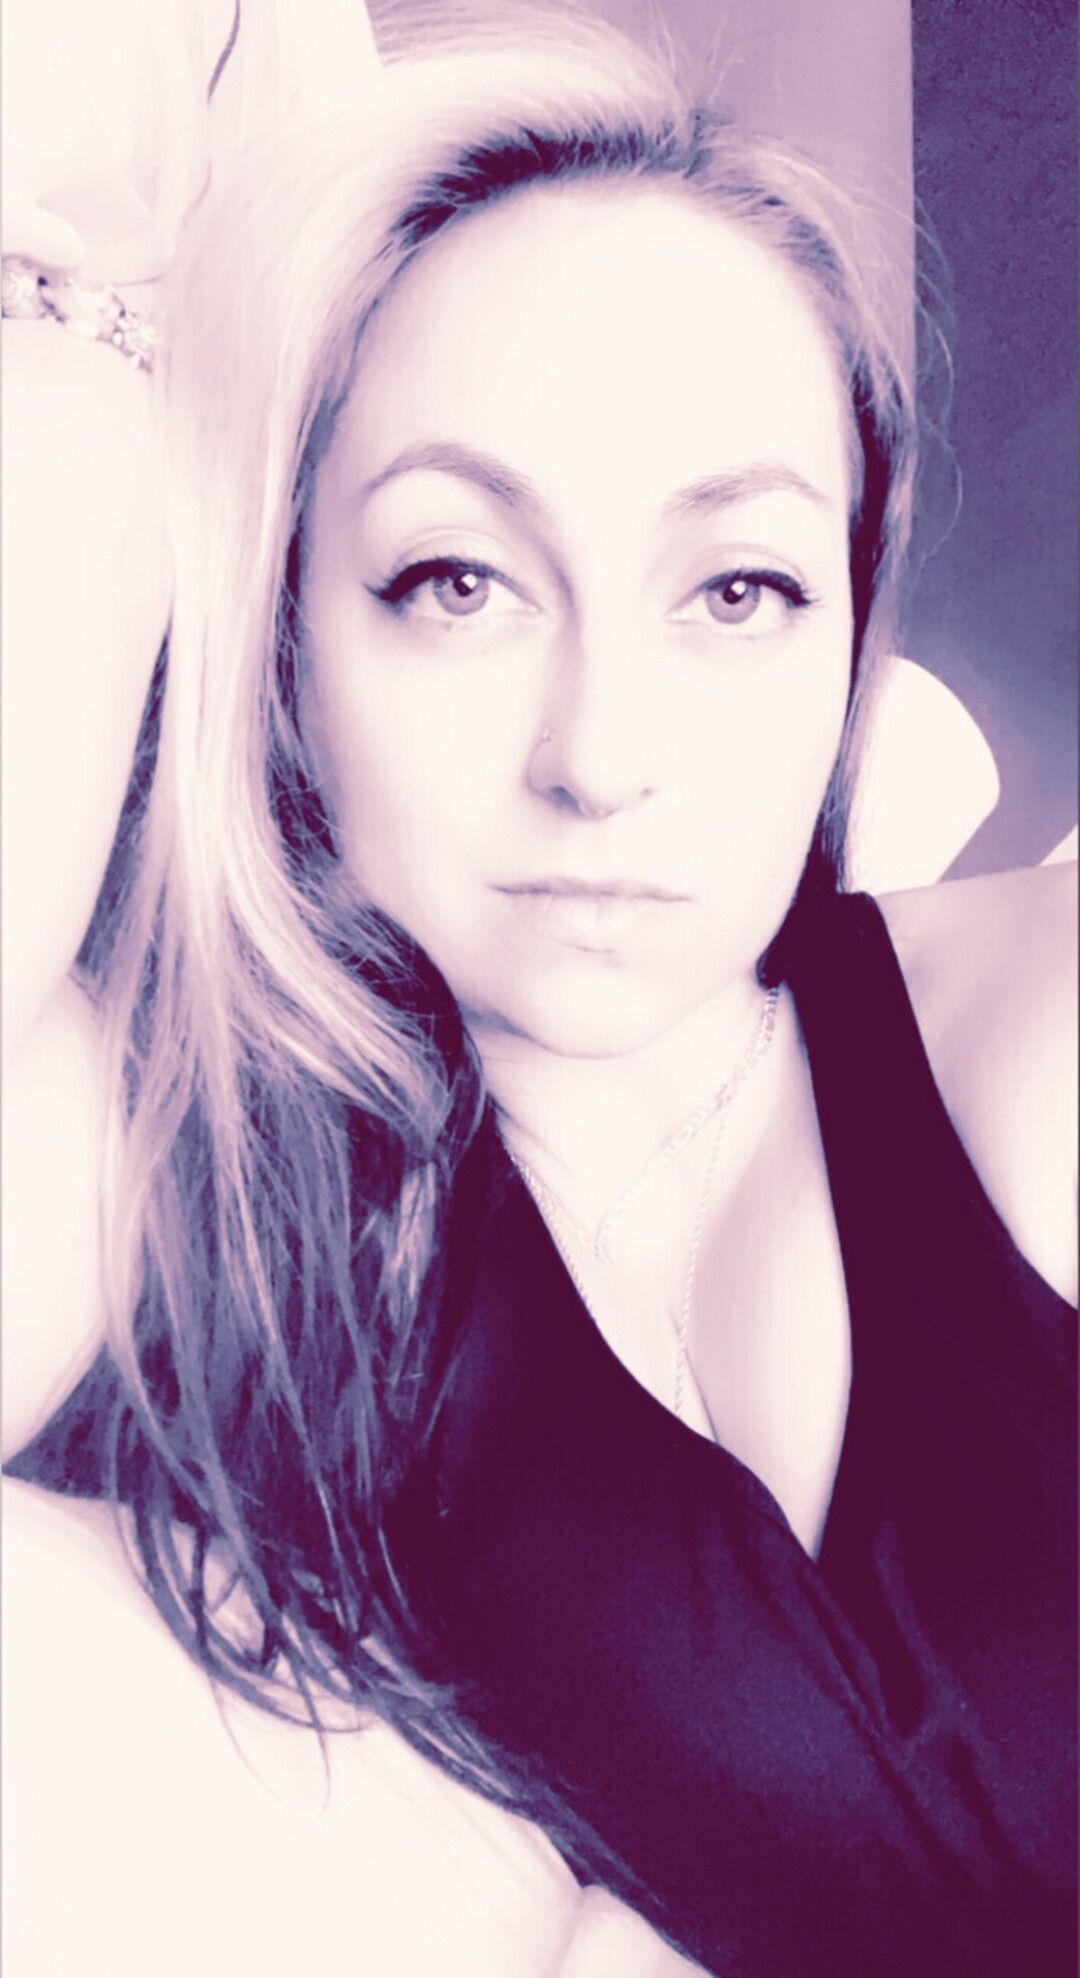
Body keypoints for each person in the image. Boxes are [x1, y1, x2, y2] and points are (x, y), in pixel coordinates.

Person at [4, 15, 1076, 1976]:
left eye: (738, 589)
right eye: (457, 580)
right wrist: (92, 426)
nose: (602, 757)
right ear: (283, 634)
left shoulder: (1035, 1018)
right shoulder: (185, 1171)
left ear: (849, 631)